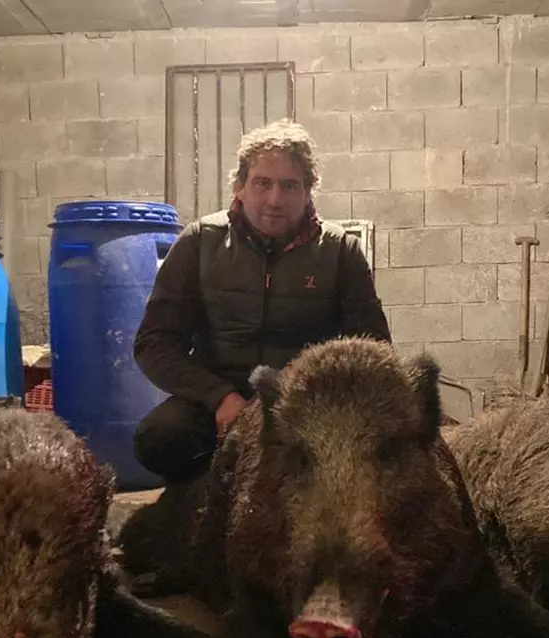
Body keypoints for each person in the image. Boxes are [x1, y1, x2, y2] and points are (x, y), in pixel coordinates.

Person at [132, 118, 392, 485]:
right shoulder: (200, 242)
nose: (275, 199)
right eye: (262, 183)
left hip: (306, 403)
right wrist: (218, 396)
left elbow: (374, 349)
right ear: (239, 187)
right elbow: (154, 344)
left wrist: (308, 391)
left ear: (308, 191)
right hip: (217, 401)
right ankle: (203, 502)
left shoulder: (340, 252)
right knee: (159, 439)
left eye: (289, 185)